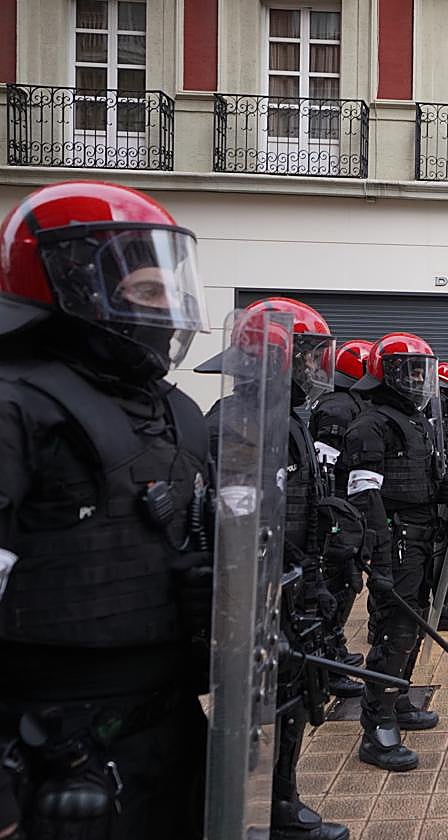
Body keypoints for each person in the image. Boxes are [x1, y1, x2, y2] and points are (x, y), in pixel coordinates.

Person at [0, 182, 214, 840]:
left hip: (172, 731)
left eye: (172, 290)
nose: (168, 310)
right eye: (147, 292)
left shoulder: (177, 410)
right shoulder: (15, 407)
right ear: (72, 284)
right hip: (55, 755)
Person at [198, 297, 351, 839]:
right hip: (255, 593)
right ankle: (252, 810)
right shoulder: (235, 422)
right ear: (276, 357)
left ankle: (281, 801)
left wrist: (316, 575)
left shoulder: (285, 419)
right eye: (308, 356)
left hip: (291, 587)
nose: (316, 367)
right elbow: (241, 523)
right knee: (257, 707)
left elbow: (297, 506)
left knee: (292, 699)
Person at [345, 333, 448, 771]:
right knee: (395, 629)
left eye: (420, 372)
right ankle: (377, 726)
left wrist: (444, 490)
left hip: (421, 534)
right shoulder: (371, 425)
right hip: (395, 537)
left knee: (415, 620)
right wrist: (378, 555)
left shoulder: (417, 421)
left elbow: (418, 481)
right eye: (408, 371)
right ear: (386, 373)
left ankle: (399, 698)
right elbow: (364, 496)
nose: (417, 380)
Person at [309, 339, 375, 694]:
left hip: (345, 514)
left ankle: (332, 648)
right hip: (337, 517)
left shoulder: (348, 402)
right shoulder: (337, 408)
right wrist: (338, 522)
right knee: (338, 584)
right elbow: (326, 471)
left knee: (345, 583)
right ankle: (327, 661)